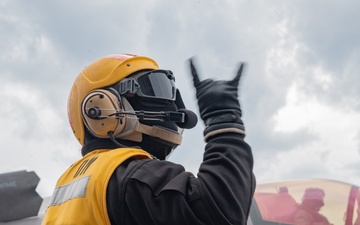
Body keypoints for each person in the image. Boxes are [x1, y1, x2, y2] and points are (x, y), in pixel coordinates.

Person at [42, 53, 255, 225]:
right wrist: (224, 121)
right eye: (156, 88)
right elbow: (221, 212)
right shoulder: (130, 175)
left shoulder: (69, 184)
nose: (174, 106)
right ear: (100, 107)